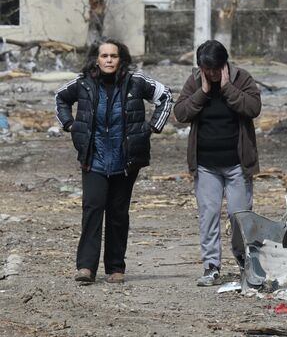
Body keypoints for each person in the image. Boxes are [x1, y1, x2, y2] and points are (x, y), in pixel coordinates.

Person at [55, 37, 173, 283]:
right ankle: (86, 268)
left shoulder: (136, 81)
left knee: (118, 213)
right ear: (96, 59)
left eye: (114, 56)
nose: (109, 60)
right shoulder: (83, 83)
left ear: (121, 59)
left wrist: (152, 127)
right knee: (93, 208)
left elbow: (165, 96)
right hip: (93, 157)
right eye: (104, 56)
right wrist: (69, 124)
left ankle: (116, 268)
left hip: (125, 159)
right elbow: (60, 98)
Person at [174, 40, 261, 286]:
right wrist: (202, 91)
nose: (211, 73)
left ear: (224, 64)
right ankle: (211, 266)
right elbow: (180, 113)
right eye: (207, 68)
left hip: (237, 165)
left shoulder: (241, 78)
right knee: (209, 214)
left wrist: (226, 88)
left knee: (239, 216)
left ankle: (246, 262)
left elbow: (253, 108)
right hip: (206, 164)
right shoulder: (194, 81)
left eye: (216, 68)